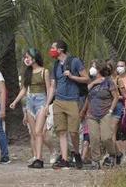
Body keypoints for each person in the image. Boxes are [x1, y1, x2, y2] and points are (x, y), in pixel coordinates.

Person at [47, 40, 89, 169]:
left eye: (53, 47)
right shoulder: (55, 65)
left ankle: (76, 153)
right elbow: (53, 86)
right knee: (61, 131)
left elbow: (86, 78)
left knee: (74, 132)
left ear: (60, 49)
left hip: (72, 101)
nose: (51, 50)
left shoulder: (74, 61)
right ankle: (64, 159)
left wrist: (72, 76)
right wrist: (47, 104)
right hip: (58, 101)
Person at [9, 48, 53, 169]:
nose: (26, 59)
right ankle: (37, 158)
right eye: (25, 58)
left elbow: (49, 89)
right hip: (29, 103)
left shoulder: (45, 71)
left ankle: (39, 159)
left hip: (41, 102)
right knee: (34, 133)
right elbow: (24, 89)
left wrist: (47, 105)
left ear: (34, 58)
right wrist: (15, 101)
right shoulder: (27, 73)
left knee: (39, 131)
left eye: (28, 57)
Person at [80, 61, 119, 168]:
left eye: (93, 66)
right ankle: (96, 160)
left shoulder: (109, 82)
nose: (91, 69)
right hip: (92, 114)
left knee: (106, 137)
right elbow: (87, 96)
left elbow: (115, 96)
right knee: (94, 138)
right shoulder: (91, 82)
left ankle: (112, 154)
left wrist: (111, 110)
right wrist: (93, 83)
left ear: (99, 69)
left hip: (105, 113)